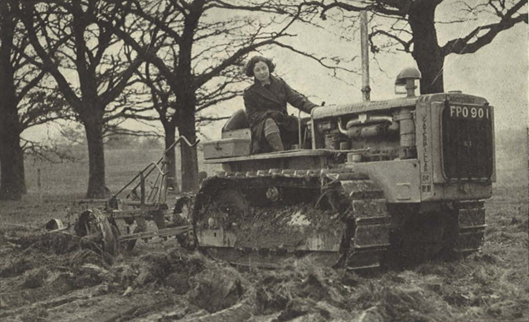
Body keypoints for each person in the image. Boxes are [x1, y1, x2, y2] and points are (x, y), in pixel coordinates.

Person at [243, 55, 318, 153]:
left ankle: (311, 152)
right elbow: (252, 117)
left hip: (283, 121)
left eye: (264, 68)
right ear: (253, 72)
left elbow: (296, 99)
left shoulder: (280, 84)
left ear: (269, 68)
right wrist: (269, 114)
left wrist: (315, 109)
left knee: (305, 124)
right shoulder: (250, 93)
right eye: (257, 70)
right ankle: (280, 155)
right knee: (270, 123)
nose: (262, 72)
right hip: (262, 128)